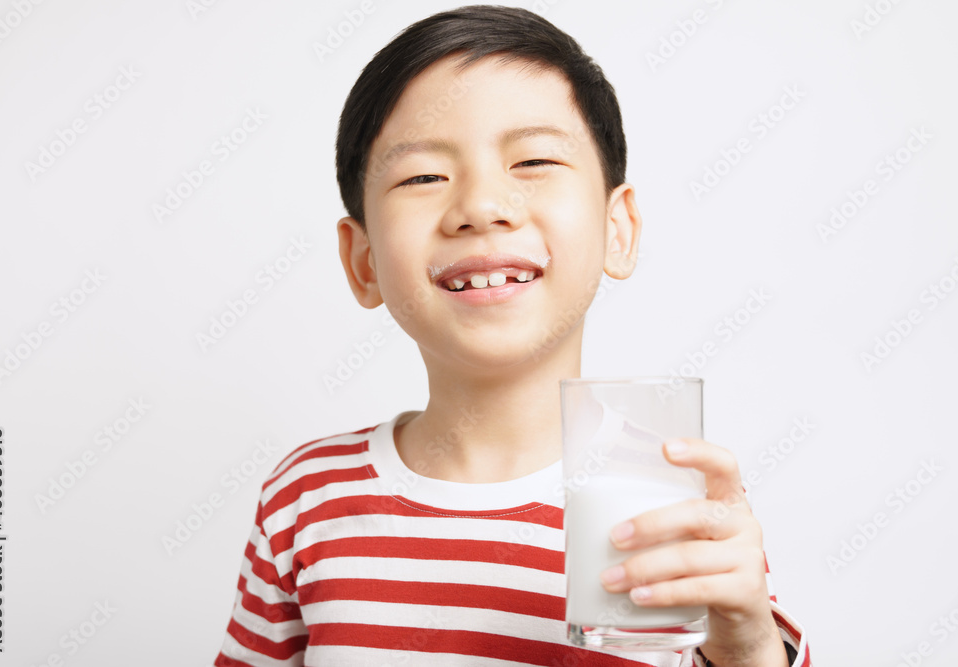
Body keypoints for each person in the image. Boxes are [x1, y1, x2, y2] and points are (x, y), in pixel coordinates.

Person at [215, 5, 810, 666]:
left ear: (617, 229)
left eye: (533, 160)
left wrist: (749, 644)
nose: (481, 207)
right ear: (364, 262)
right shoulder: (305, 497)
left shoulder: (670, 503)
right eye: (423, 176)